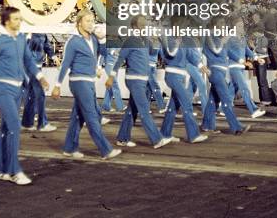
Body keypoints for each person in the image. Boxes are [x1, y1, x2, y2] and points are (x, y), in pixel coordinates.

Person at [0, 7, 49, 185]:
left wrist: (40, 77)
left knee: (6, 129)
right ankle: (14, 171)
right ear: (6, 21)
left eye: (19, 18)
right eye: (15, 19)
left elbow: (28, 61)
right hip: (1, 88)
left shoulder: (21, 39)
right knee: (15, 126)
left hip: (16, 90)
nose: (19, 21)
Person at [52, 10, 121, 161]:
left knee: (78, 116)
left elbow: (103, 52)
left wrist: (102, 40)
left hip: (89, 81)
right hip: (78, 81)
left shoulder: (93, 39)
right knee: (91, 115)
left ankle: (69, 148)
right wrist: (57, 84)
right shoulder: (73, 41)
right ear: (79, 23)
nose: (91, 23)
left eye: (92, 20)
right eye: (88, 21)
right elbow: (65, 64)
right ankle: (105, 149)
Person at [106, 16, 173, 149]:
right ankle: (157, 139)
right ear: (135, 27)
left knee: (132, 110)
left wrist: (159, 38)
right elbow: (120, 60)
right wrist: (111, 77)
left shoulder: (145, 41)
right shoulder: (130, 40)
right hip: (134, 80)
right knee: (144, 109)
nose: (145, 27)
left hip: (143, 79)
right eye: (142, 25)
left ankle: (122, 138)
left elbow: (155, 52)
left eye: (146, 24)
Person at [159, 32, 207, 144]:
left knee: (173, 107)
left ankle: (165, 135)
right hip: (172, 75)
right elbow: (169, 54)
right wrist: (177, 42)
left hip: (179, 76)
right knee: (186, 104)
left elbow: (191, 55)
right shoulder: (169, 39)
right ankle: (193, 135)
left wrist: (200, 66)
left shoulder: (184, 39)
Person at [201, 29, 250, 135]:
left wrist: (241, 61)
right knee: (226, 100)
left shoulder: (219, 39)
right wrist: (224, 39)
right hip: (215, 71)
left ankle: (206, 125)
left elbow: (229, 52)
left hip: (221, 72)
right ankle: (236, 127)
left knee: (213, 100)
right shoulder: (209, 37)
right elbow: (216, 50)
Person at [22, 32, 60, 132]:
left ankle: (27, 122)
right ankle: (42, 123)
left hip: (37, 66)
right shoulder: (27, 32)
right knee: (40, 95)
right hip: (30, 67)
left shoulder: (42, 32)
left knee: (32, 96)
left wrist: (54, 57)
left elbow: (46, 46)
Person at [227, 30, 266, 119]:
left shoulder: (242, 39)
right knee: (244, 88)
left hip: (241, 67)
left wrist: (256, 58)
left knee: (232, 88)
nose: (241, 28)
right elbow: (228, 52)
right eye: (239, 26)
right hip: (234, 66)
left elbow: (247, 50)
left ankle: (224, 108)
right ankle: (253, 110)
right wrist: (242, 61)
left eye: (242, 26)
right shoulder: (230, 38)